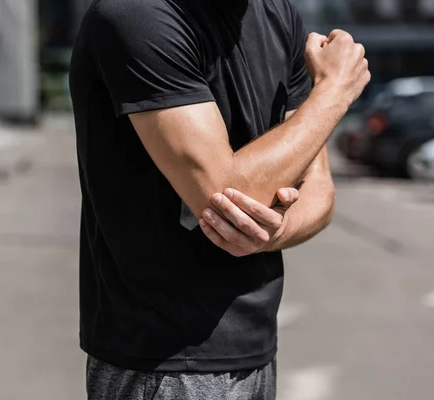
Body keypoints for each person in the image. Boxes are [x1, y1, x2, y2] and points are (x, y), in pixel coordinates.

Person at [69, 0, 370, 398]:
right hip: (163, 358)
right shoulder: (136, 14)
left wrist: (273, 233)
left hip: (255, 346)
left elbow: (320, 190)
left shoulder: (277, 14)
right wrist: (333, 92)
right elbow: (226, 194)